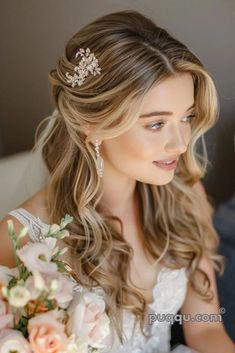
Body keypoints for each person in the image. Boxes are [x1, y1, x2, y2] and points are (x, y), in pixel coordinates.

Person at [0, 10, 234, 353]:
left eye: (185, 118)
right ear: (92, 123)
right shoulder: (23, 239)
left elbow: (206, 331)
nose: (181, 143)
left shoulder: (186, 197)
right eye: (156, 124)